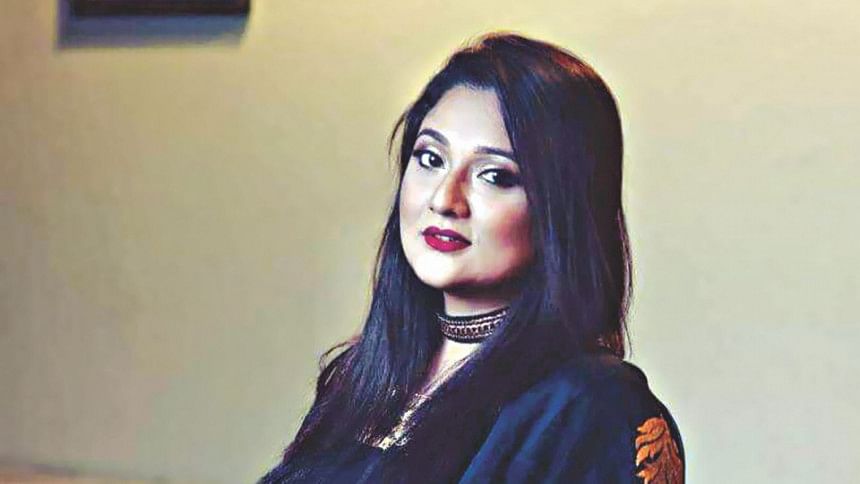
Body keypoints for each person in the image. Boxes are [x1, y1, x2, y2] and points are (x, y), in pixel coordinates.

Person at [258, 31, 685, 484]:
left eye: (495, 176)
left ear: (564, 210)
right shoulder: (356, 379)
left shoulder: (594, 406)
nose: (445, 199)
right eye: (430, 158)